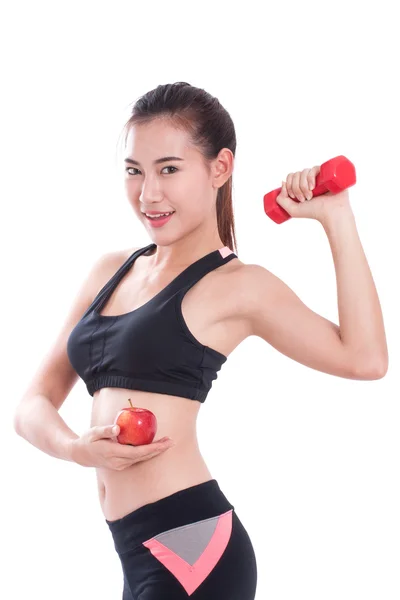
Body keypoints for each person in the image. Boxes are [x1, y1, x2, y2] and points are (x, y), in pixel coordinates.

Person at [14, 82, 388, 600]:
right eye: (134, 171)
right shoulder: (110, 270)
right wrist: (75, 449)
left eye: (169, 169)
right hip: (132, 548)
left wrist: (336, 217)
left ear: (219, 168)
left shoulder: (239, 286)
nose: (148, 193)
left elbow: (365, 359)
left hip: (192, 547)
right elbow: (32, 404)